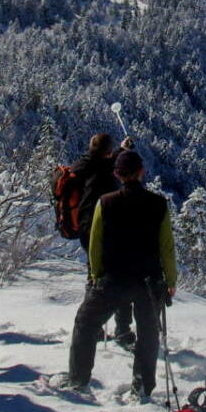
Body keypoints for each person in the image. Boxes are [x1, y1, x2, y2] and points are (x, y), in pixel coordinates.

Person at [63, 149, 175, 399]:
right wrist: (171, 280)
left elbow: (95, 243)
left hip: (113, 278)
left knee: (86, 322)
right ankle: (142, 388)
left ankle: (78, 380)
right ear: (141, 172)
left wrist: (96, 274)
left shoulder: (106, 202)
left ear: (117, 174)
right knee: (148, 334)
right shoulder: (158, 204)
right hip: (148, 281)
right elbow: (167, 246)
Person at [69, 133, 134, 347]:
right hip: (106, 228)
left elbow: (107, 161)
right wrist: (124, 151)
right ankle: (123, 330)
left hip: (85, 228)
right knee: (120, 276)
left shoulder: (82, 166)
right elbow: (114, 165)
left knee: (94, 274)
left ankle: (91, 325)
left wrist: (120, 150)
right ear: (107, 152)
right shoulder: (106, 170)